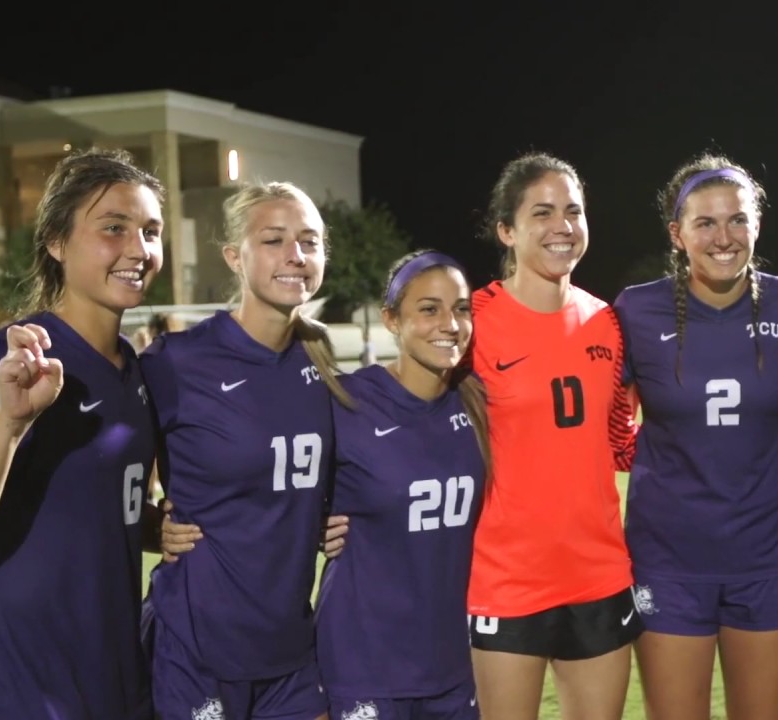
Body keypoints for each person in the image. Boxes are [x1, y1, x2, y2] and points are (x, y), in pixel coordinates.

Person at [0, 147, 166, 717]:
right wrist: (10, 423)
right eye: (113, 228)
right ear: (56, 243)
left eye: (150, 231)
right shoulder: (10, 360)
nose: (138, 249)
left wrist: (175, 527)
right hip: (14, 688)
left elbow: (107, 509)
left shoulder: (136, 372)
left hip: (109, 676)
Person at [613, 152, 778, 720]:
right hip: (667, 559)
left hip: (767, 556)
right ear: (677, 234)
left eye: (737, 220)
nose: (723, 237)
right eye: (705, 222)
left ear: (758, 225)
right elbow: (599, 420)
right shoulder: (637, 309)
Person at [143, 181, 347, 720]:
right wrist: (149, 527)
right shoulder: (177, 362)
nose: (295, 255)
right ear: (235, 256)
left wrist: (340, 518)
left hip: (291, 646)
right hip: (197, 647)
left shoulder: (320, 357)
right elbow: (106, 469)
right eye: (274, 240)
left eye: (309, 242)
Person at [465, 152, 640, 720]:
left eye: (573, 211)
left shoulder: (608, 322)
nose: (562, 226)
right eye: (542, 212)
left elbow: (621, 441)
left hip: (599, 573)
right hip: (505, 579)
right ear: (506, 230)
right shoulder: (471, 323)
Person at [314, 249, 489, 719]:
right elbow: (275, 482)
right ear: (391, 319)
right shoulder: (347, 402)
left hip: (451, 664)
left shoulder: (475, 403)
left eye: (461, 309)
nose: (449, 324)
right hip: (363, 660)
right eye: (429, 309)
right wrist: (309, 525)